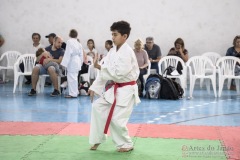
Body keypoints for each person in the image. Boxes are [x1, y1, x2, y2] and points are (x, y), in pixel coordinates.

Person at [88, 20, 140, 152]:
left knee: (117, 119)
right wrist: (94, 87)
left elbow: (119, 74)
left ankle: (126, 144)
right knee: (97, 107)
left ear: (124, 36)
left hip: (127, 89)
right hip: (116, 88)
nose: (112, 37)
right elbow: (104, 72)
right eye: (112, 34)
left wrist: (100, 66)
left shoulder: (127, 52)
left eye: (115, 34)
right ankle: (97, 139)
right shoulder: (112, 51)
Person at [61, 29, 83, 98]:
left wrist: (64, 63)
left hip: (72, 60)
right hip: (77, 60)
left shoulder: (69, 41)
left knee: (71, 78)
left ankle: (73, 94)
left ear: (69, 35)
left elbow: (68, 53)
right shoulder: (79, 43)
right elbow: (81, 54)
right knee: (75, 77)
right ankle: (75, 91)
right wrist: (81, 63)